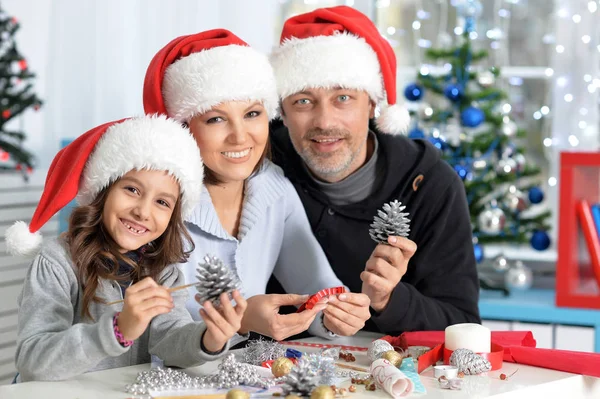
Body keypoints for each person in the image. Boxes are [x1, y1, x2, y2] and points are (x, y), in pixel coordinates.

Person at [142, 29, 371, 342]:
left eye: (252, 114)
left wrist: (339, 315)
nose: (239, 136)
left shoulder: (274, 188)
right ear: (183, 128)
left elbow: (316, 285)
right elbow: (149, 332)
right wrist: (240, 319)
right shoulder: (153, 202)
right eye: (216, 119)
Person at [267, 6, 481, 335]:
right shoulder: (258, 168)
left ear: (371, 104)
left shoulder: (430, 185)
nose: (324, 122)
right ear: (281, 109)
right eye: (304, 101)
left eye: (343, 97)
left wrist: (388, 299)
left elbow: (461, 323)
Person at [5, 115, 246, 382]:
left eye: (162, 203)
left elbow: (169, 337)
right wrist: (117, 330)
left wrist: (209, 338)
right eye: (132, 189)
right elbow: (33, 360)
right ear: (104, 190)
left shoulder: (163, 272)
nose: (143, 211)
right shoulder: (57, 261)